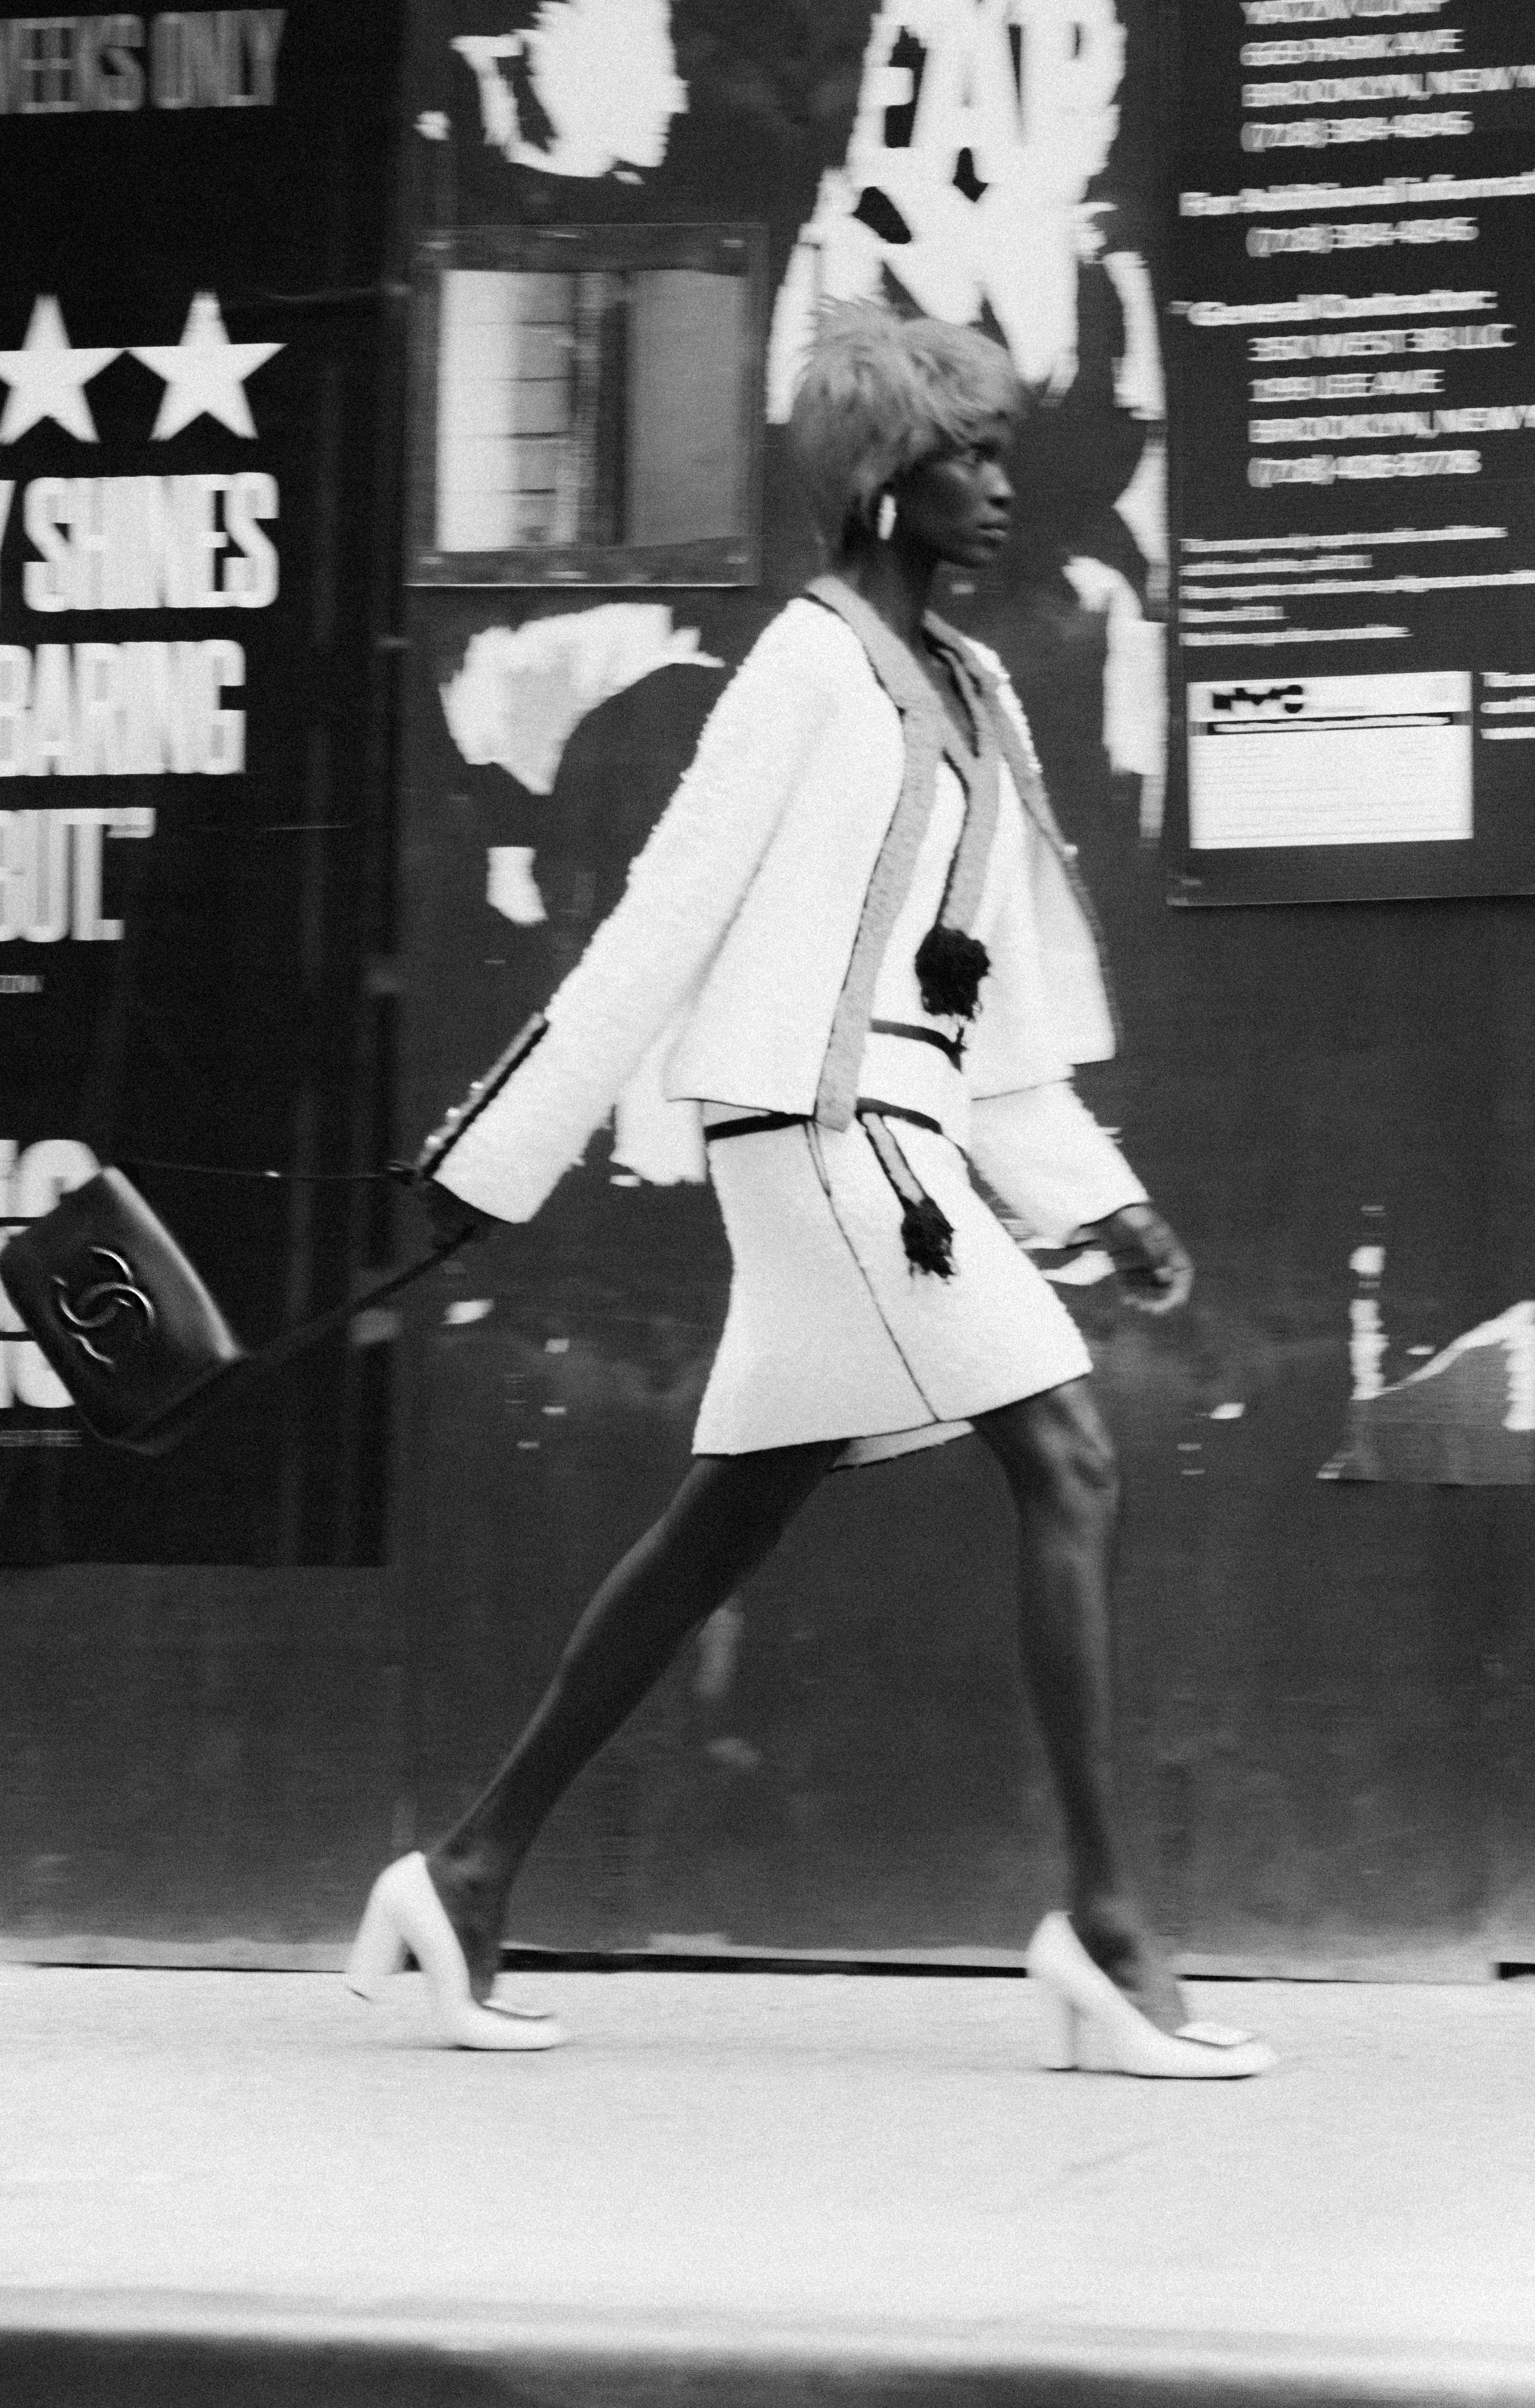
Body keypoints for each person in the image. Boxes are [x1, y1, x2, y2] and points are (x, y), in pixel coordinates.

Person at [342, 302, 1269, 2079]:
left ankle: (464, 1875)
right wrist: (500, 1159)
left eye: (1001, 452)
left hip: (902, 1136)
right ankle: (1106, 1930)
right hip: (821, 1139)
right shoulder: (804, 666)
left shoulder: (977, 692)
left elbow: (990, 993)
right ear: (880, 480)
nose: (1000, 485)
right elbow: (663, 919)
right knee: (1070, 1457)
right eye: (964, 456)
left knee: (726, 1523)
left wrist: (1096, 1195)